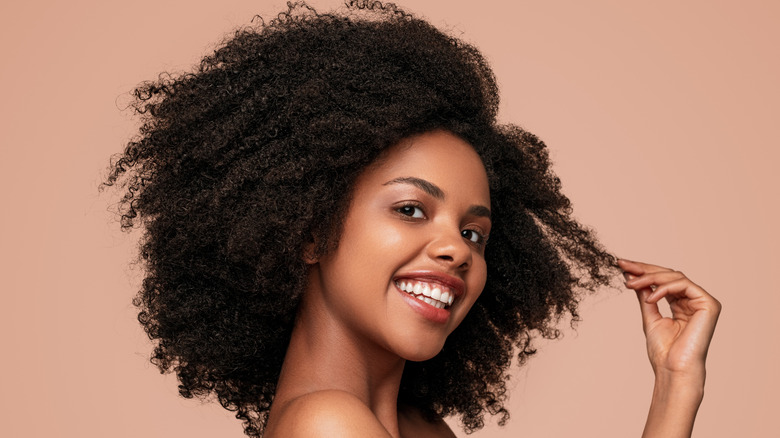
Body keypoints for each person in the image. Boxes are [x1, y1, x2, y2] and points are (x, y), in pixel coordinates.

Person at [104, 1, 721, 437]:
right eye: (410, 209)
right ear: (310, 228)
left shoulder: (417, 428)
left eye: (474, 232)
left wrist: (675, 385)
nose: (455, 249)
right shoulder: (327, 426)